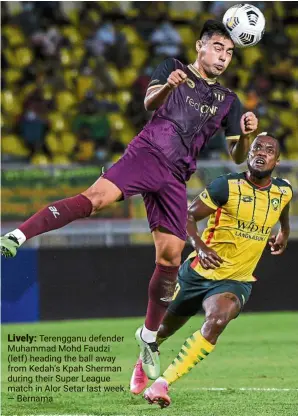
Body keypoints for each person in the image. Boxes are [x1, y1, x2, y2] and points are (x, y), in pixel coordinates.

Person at [1, 21, 258, 383]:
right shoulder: (173, 68)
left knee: (169, 258)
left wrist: (246, 136)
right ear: (200, 46)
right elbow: (148, 102)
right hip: (148, 153)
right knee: (94, 200)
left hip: (175, 177)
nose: (223, 56)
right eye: (218, 47)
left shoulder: (229, 101)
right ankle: (16, 236)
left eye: (229, 52)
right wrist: (166, 90)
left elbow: (236, 155)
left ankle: (149, 338)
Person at [141, 133, 292, 408]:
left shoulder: (284, 191)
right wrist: (198, 245)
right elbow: (186, 216)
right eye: (257, 147)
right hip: (199, 273)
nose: (261, 152)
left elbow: (283, 208)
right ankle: (145, 355)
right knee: (162, 331)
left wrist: (285, 230)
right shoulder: (226, 186)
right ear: (248, 154)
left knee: (218, 320)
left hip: (236, 279)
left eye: (269, 150)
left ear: (277, 160)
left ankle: (162, 384)